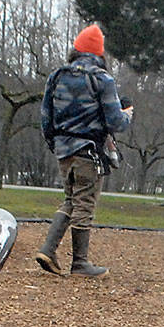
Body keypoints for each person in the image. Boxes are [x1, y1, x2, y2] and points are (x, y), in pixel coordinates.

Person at [36, 24, 133, 278]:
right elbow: (115, 122)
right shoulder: (102, 79)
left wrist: (55, 145)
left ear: (75, 50)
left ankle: (48, 249)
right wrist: (127, 116)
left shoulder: (56, 76)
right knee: (85, 204)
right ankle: (80, 263)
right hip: (89, 151)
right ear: (100, 54)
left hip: (63, 150)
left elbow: (45, 117)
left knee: (70, 200)